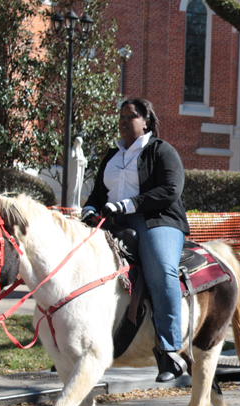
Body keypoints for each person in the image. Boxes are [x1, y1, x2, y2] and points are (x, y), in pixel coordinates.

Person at [81, 98, 190, 383]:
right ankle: (79, 347)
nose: (123, 121)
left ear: (147, 121)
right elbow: (97, 193)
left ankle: (169, 352)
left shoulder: (162, 150)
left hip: (157, 220)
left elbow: (170, 190)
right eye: (121, 116)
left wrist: (126, 205)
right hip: (114, 222)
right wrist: (89, 209)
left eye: (130, 116)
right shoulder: (111, 155)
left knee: (161, 269)